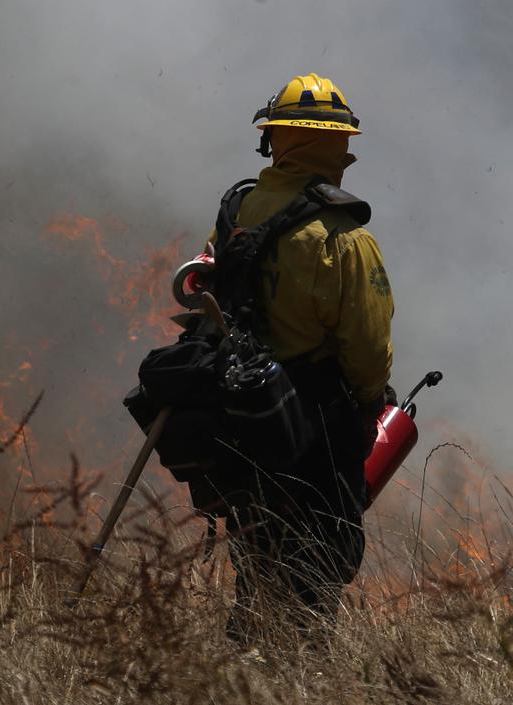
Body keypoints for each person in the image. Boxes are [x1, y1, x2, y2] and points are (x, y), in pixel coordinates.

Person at [212, 73, 395, 643]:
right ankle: (303, 664)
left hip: (245, 413)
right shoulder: (344, 237)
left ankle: (246, 653)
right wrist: (371, 403)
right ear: (338, 146)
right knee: (318, 560)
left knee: (257, 548)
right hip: (317, 424)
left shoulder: (239, 211)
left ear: (275, 139)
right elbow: (368, 346)